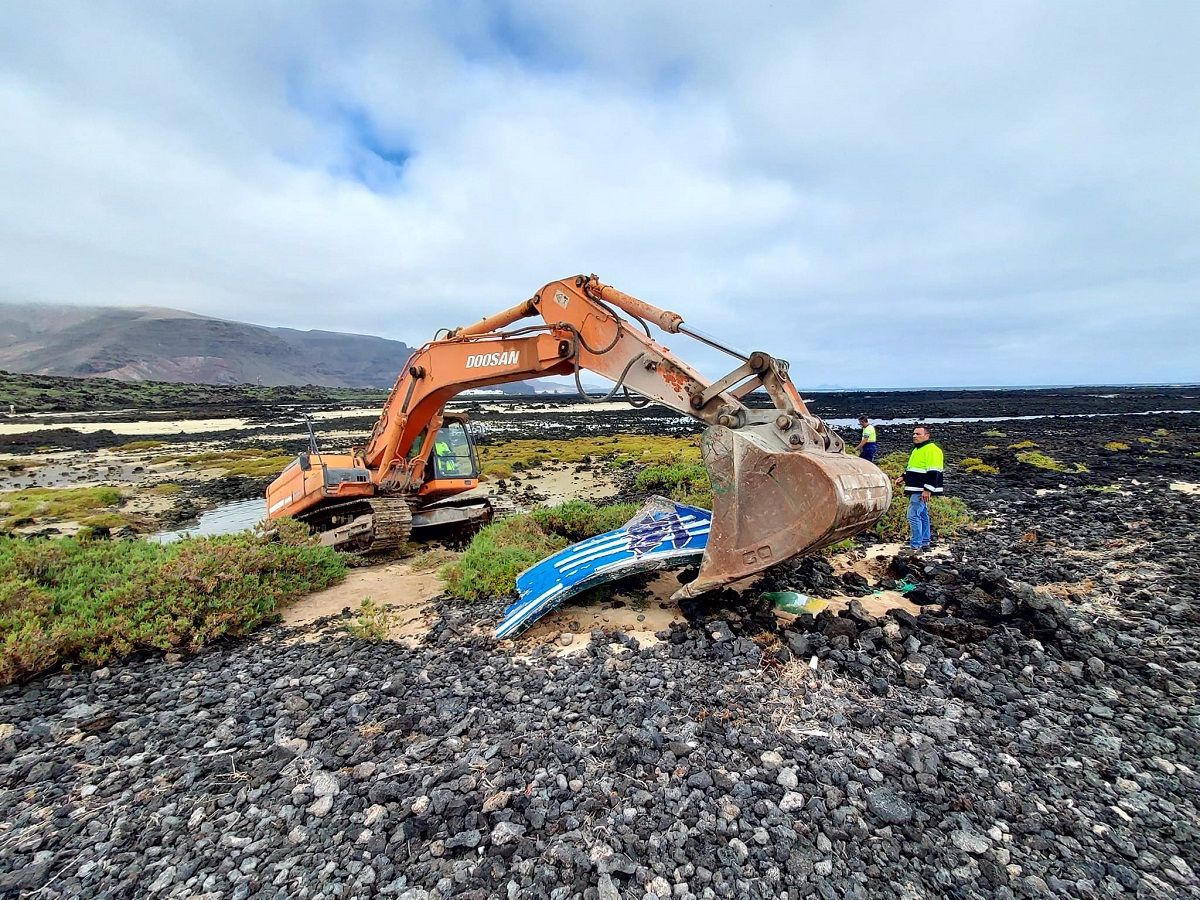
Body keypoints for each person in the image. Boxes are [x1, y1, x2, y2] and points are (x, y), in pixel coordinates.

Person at [896, 424, 944, 551]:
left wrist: (928, 489)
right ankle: (924, 542)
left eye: (918, 434)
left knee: (912, 515)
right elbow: (914, 467)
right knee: (922, 514)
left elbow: (934, 471)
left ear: (927, 436)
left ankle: (915, 545)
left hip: (921, 489)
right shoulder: (918, 449)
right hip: (916, 488)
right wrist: (903, 477)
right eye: (914, 434)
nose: (914, 436)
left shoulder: (932, 450)